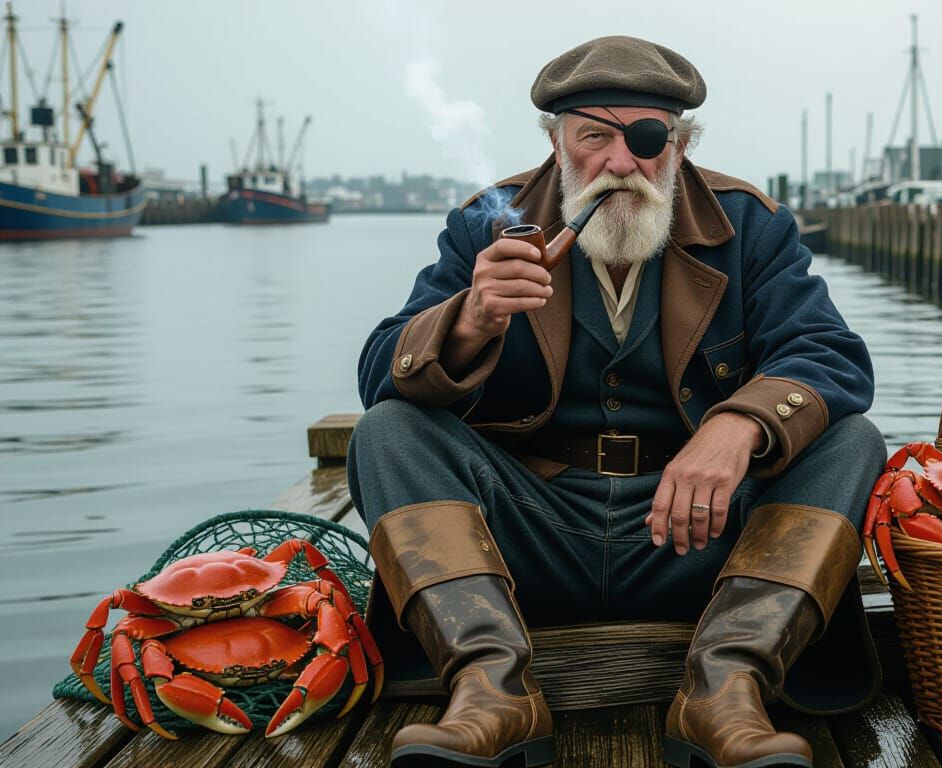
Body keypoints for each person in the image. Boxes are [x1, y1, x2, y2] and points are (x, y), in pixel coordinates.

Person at [348, 35, 888, 768]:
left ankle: (727, 687)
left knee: (850, 440)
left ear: (681, 144)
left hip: (696, 538)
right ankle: (490, 687)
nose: (619, 163)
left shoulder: (750, 224)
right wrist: (470, 318)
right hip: (529, 536)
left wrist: (736, 425)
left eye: (645, 139)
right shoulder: (487, 223)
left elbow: (830, 355)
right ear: (557, 141)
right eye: (593, 137)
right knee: (388, 430)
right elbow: (382, 371)